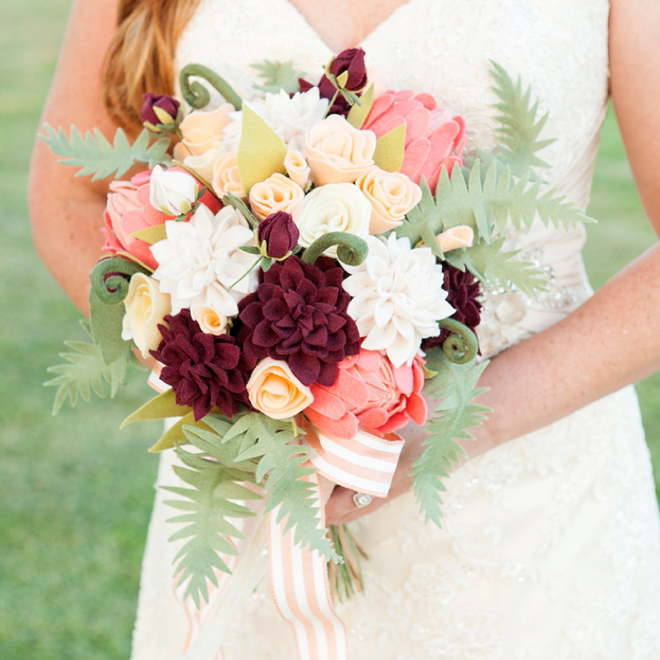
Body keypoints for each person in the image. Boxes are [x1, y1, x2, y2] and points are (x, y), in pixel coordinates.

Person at [29, 0, 660, 657]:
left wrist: (459, 419)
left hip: (527, 507)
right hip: (254, 489)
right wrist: (221, 371)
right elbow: (67, 198)